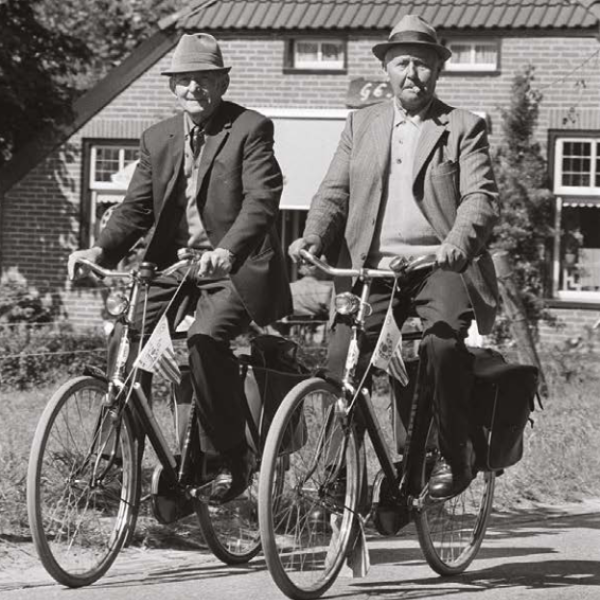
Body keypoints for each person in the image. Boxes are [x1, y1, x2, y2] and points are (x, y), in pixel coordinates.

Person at [69, 33, 292, 504]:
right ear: (172, 86)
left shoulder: (250, 128)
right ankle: (116, 457)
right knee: (126, 336)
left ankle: (228, 456)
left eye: (204, 79)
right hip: (175, 268)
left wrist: (229, 249)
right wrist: (99, 252)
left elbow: (261, 201)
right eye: (184, 80)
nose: (193, 89)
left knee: (205, 342)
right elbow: (135, 210)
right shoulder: (158, 137)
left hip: (236, 267)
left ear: (222, 81)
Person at [289, 14, 500, 500]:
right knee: (343, 363)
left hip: (437, 266)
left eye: (423, 65)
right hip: (372, 270)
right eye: (403, 63)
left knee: (441, 346)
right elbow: (333, 193)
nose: (413, 74)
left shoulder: (463, 127)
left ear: (438, 71)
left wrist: (457, 244)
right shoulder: (361, 124)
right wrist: (313, 237)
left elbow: (480, 199)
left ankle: (453, 453)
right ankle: (341, 479)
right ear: (386, 68)